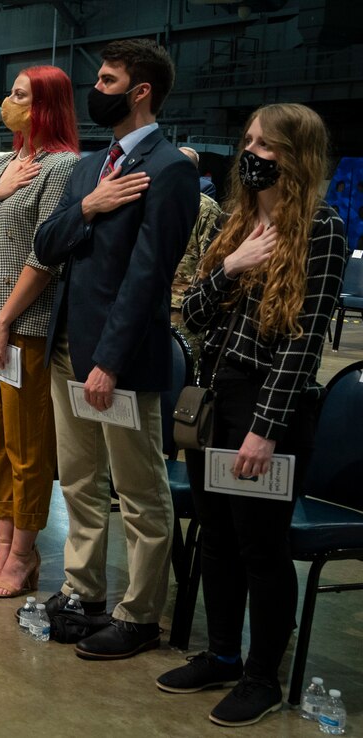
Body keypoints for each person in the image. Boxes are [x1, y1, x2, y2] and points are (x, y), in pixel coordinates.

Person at [157, 104, 347, 728]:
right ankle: (221, 654)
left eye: (266, 145)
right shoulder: (237, 221)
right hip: (217, 398)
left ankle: (262, 675)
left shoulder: (321, 228)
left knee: (260, 547)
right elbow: (194, 312)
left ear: (295, 156)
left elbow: (304, 344)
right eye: (248, 141)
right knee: (215, 537)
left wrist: (265, 430)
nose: (252, 154)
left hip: (269, 407)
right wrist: (232, 266)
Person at [33, 39, 199, 660]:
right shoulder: (88, 168)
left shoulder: (170, 169)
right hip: (65, 347)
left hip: (118, 360)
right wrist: (88, 205)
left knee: (139, 490)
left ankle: (140, 614)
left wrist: (108, 360)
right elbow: (48, 244)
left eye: (106, 81)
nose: (95, 90)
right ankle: (84, 593)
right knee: (79, 480)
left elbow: (148, 276)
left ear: (140, 91)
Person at [0, 65, 80, 593]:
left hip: (25, 325)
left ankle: (24, 555)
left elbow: (45, 256)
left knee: (28, 448)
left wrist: (4, 322)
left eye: (21, 94)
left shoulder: (63, 167)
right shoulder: (1, 167)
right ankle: (4, 548)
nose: (10, 101)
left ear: (46, 103)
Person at [171, 146, 224, 365]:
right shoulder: (160, 199)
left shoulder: (205, 207)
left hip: (183, 306)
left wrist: (197, 303)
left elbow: (208, 260)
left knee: (185, 365)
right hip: (155, 300)